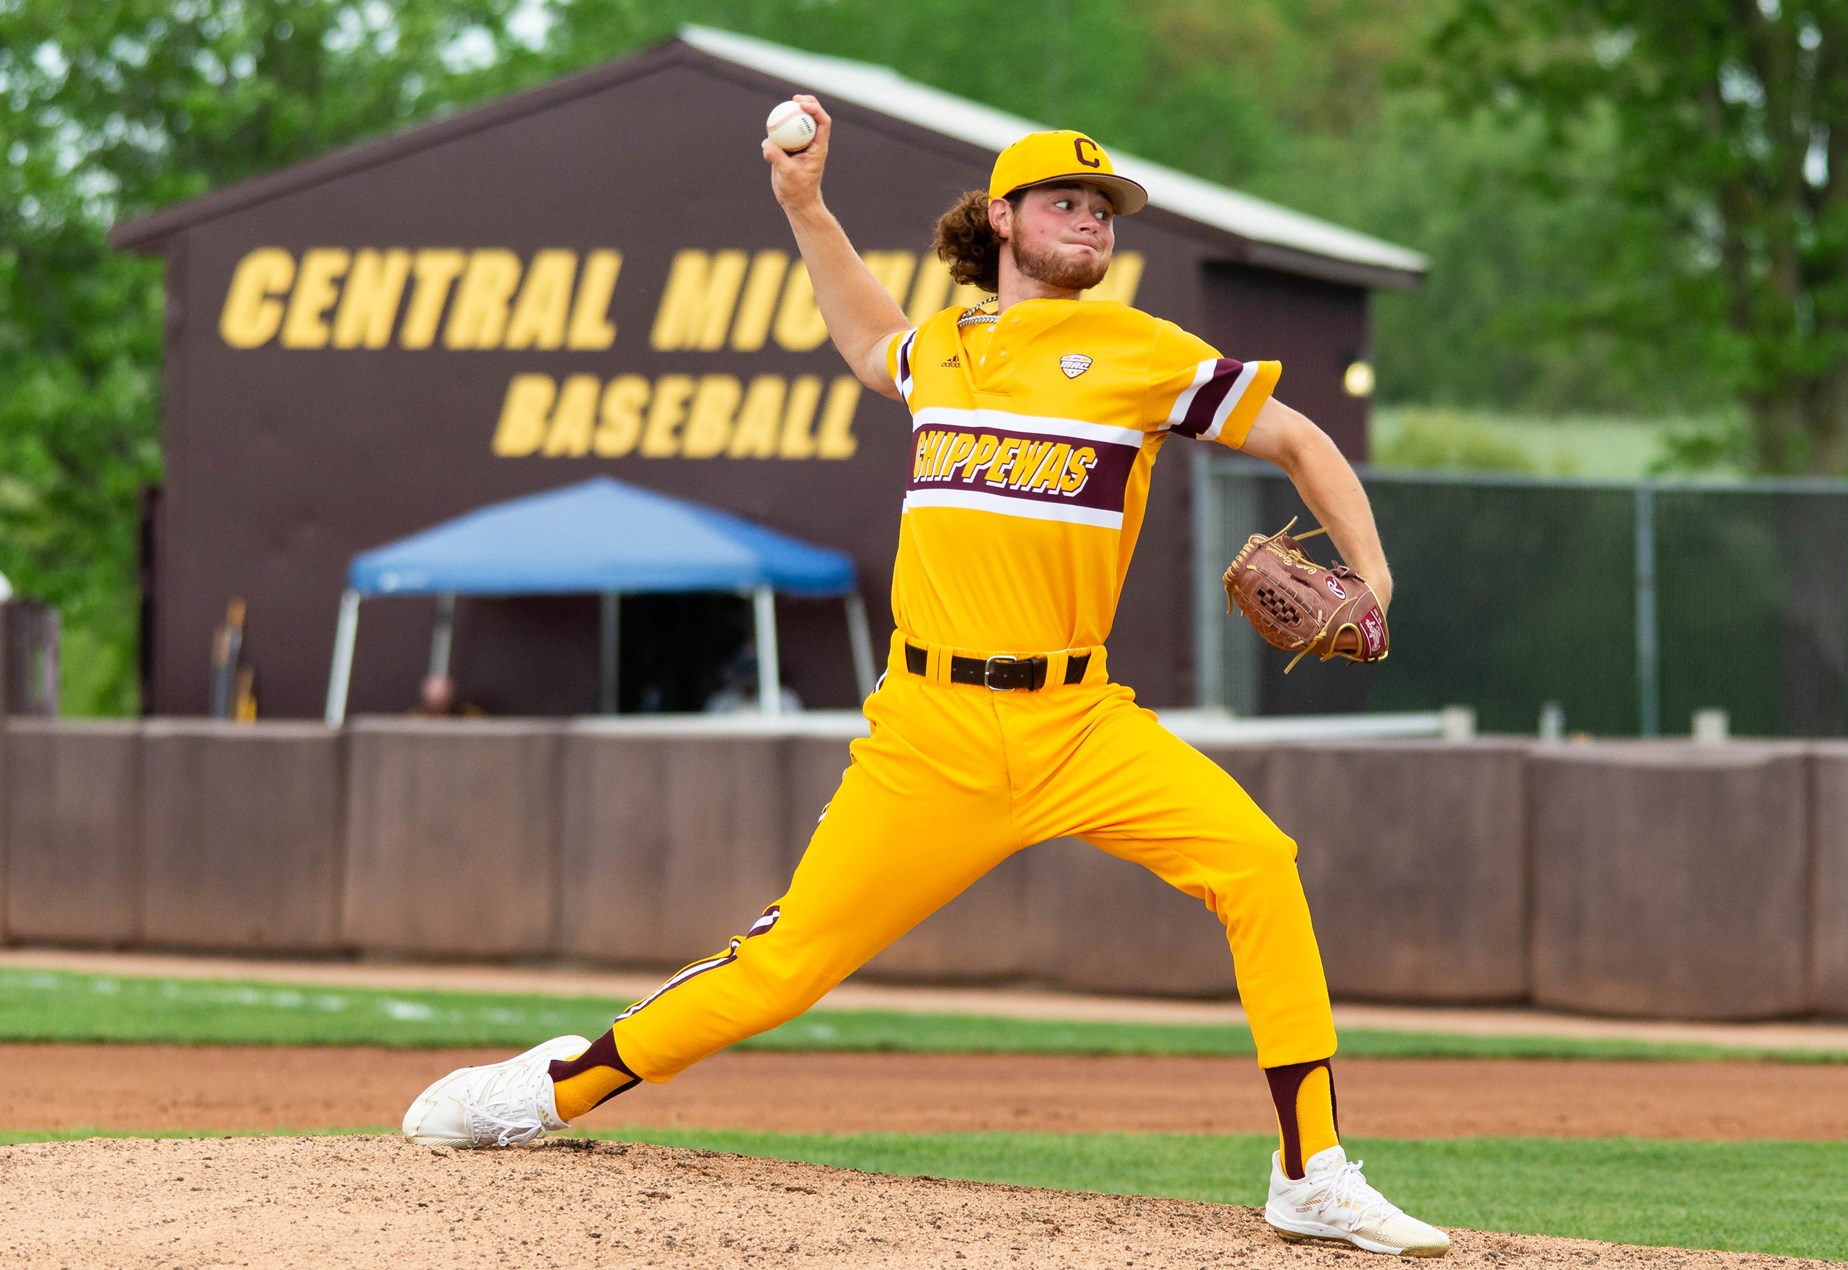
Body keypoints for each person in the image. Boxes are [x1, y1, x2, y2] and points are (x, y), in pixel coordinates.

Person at [401, 98, 1447, 1258]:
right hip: (929, 732)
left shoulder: (1147, 354)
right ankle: (545, 1090)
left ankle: (1311, 1171)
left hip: (1077, 722)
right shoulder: (942, 349)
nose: (1090, 221)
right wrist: (804, 207)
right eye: (1065, 200)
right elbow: (864, 339)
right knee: (783, 968)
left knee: (1258, 863)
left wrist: (1373, 576)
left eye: (1104, 208)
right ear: (1003, 218)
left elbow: (1300, 438)